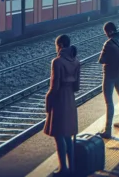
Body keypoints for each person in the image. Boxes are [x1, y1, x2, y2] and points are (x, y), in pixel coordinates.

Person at [44, 35, 81, 176]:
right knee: (67, 136)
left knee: (58, 135)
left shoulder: (57, 62)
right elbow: (77, 86)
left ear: (59, 45)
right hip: (70, 98)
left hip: (59, 100)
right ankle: (72, 167)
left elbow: (54, 87)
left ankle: (63, 169)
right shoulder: (76, 61)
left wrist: (48, 100)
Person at [98, 22, 119, 139]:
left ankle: (107, 130)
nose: (106, 35)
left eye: (106, 32)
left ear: (110, 31)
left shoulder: (109, 43)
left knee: (109, 102)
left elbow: (101, 60)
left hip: (109, 74)